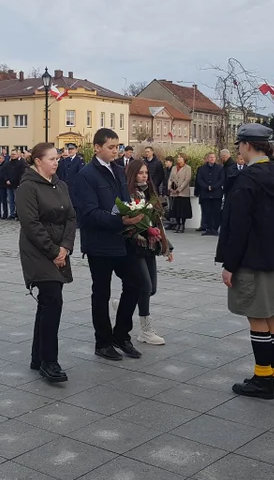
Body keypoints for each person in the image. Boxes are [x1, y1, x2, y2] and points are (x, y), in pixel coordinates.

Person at [216, 123, 274, 400]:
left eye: (239, 145)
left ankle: (262, 380)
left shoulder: (247, 180)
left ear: (247, 145)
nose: (239, 149)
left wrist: (229, 264)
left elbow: (238, 227)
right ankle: (272, 375)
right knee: (270, 315)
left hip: (252, 259)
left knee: (257, 317)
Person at [73, 127, 144, 362]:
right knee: (101, 292)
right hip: (100, 243)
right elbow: (88, 214)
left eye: (118, 147)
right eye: (111, 147)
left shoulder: (118, 170)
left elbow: (123, 201)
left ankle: (121, 335)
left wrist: (136, 212)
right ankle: (102, 342)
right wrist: (119, 219)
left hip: (123, 240)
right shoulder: (86, 174)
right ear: (97, 147)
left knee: (136, 284)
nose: (116, 151)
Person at [16, 142, 76, 383]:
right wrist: (53, 251)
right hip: (38, 251)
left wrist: (65, 247)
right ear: (38, 161)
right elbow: (30, 224)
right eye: (51, 158)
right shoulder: (28, 187)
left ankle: (37, 356)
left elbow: (71, 216)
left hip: (58, 249)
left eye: (57, 158)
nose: (56, 162)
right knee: (52, 299)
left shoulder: (60, 184)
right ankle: (49, 361)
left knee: (48, 302)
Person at [125, 159, 173, 346]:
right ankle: (145, 331)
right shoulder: (129, 194)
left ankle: (124, 304)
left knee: (151, 288)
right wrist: (141, 229)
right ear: (133, 174)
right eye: (140, 173)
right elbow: (126, 218)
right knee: (145, 285)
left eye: (146, 172)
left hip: (150, 246)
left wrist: (167, 246)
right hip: (135, 246)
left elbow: (157, 223)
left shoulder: (149, 192)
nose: (144, 176)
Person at [196, 152, 224, 236]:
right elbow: (199, 179)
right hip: (205, 193)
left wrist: (213, 187)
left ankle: (215, 228)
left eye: (213, 157)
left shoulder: (220, 168)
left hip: (216, 194)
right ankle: (208, 228)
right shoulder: (202, 168)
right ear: (207, 159)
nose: (212, 159)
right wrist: (206, 187)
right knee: (207, 211)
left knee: (216, 212)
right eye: (210, 157)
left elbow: (222, 179)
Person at [167, 153, 192, 234]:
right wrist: (170, 188)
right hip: (174, 192)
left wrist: (179, 189)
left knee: (183, 210)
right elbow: (170, 178)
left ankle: (182, 225)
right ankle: (177, 223)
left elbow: (187, 180)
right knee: (176, 209)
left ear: (184, 159)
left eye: (180, 157)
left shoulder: (188, 168)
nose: (178, 159)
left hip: (183, 192)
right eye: (178, 157)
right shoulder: (174, 168)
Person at [5, 149, 26, 219]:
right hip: (8, 184)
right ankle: (12, 213)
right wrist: (7, 179)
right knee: (10, 200)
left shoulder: (21, 163)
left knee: (17, 200)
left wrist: (12, 181)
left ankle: (18, 214)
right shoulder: (8, 163)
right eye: (11, 154)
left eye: (14, 154)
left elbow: (19, 174)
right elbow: (5, 172)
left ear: (18, 155)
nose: (12, 155)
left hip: (16, 184)